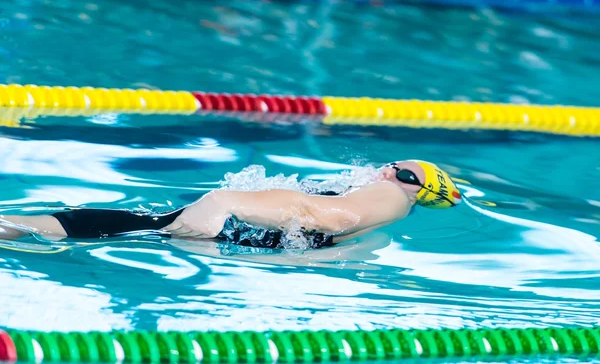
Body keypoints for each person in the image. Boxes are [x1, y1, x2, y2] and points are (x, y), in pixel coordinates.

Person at [0, 160, 462, 249]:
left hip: (221, 225)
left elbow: (323, 215)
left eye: (400, 171)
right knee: (133, 228)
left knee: (118, 223)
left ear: (414, 188)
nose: (385, 169)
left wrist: (224, 199)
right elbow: (319, 255)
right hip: (227, 243)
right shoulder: (382, 232)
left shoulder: (388, 197)